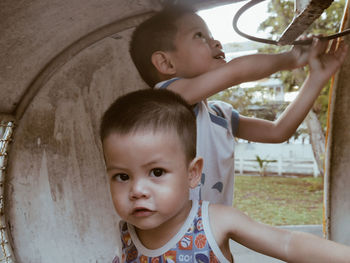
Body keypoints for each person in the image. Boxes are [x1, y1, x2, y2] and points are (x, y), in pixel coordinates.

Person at [129, 4, 348, 205]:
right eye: (200, 36)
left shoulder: (219, 114)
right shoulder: (167, 99)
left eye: (212, 35)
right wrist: (292, 59)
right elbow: (237, 71)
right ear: (166, 63)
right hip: (172, 242)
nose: (216, 42)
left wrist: (317, 77)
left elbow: (277, 132)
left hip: (211, 237)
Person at [100, 88, 350, 263]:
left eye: (156, 172)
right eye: (122, 176)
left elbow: (287, 243)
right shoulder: (127, 234)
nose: (137, 190)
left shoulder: (214, 222)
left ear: (192, 173)